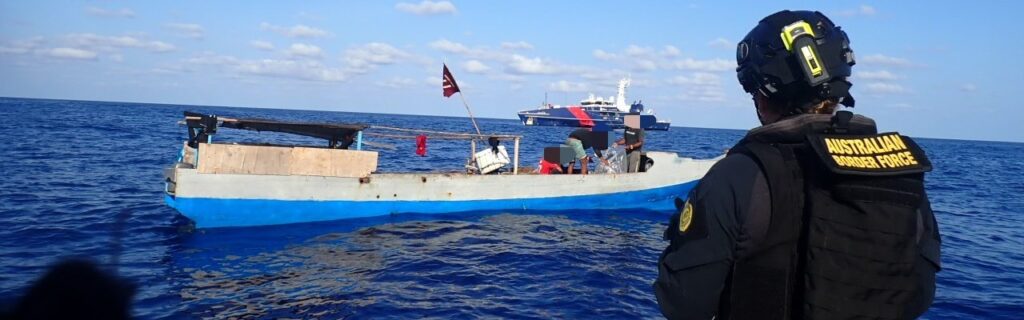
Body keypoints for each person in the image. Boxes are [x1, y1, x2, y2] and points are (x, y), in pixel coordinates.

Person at [653, 10, 941, 320]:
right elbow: (920, 295)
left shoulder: (740, 175)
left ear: (763, 93)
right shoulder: (898, 173)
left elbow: (683, 304)